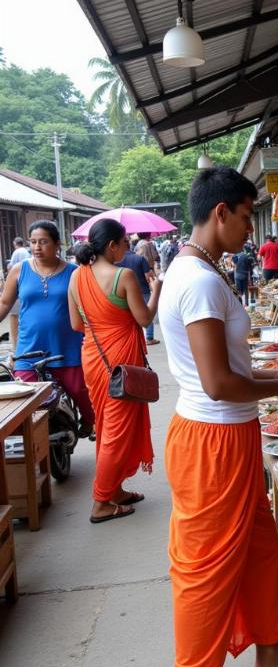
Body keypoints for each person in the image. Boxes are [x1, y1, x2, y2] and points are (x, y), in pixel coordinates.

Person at [159, 166, 278, 667]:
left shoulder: (199, 269)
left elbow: (227, 368)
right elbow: (218, 383)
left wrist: (264, 375)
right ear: (221, 212)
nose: (252, 229)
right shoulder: (199, 281)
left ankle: (269, 648)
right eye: (249, 216)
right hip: (213, 437)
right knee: (206, 561)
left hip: (231, 432)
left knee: (254, 543)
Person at [67, 219, 161, 524]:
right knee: (115, 433)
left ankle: (116, 490)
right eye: (124, 243)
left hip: (94, 358)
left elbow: (76, 325)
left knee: (108, 426)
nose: (128, 248)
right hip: (120, 359)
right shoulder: (124, 276)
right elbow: (144, 318)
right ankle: (100, 501)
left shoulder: (76, 277)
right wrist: (156, 289)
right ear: (111, 246)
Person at [0, 221, 94, 436]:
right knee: (26, 400)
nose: (37, 247)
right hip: (28, 349)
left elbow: (87, 307)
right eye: (33, 242)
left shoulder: (74, 272)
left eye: (43, 242)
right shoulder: (19, 270)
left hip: (67, 348)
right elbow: (5, 303)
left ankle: (89, 421)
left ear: (57, 244)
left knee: (81, 393)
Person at [117, 238, 158, 345]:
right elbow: (148, 277)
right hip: (143, 290)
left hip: (122, 292)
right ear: (129, 246)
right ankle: (149, 338)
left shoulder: (115, 261)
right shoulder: (139, 259)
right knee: (147, 313)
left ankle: (130, 338)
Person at [6, 236, 30, 347]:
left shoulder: (17, 252)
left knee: (14, 315)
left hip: (18, 285)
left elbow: (11, 267)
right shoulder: (26, 251)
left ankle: (15, 344)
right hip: (25, 285)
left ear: (15, 243)